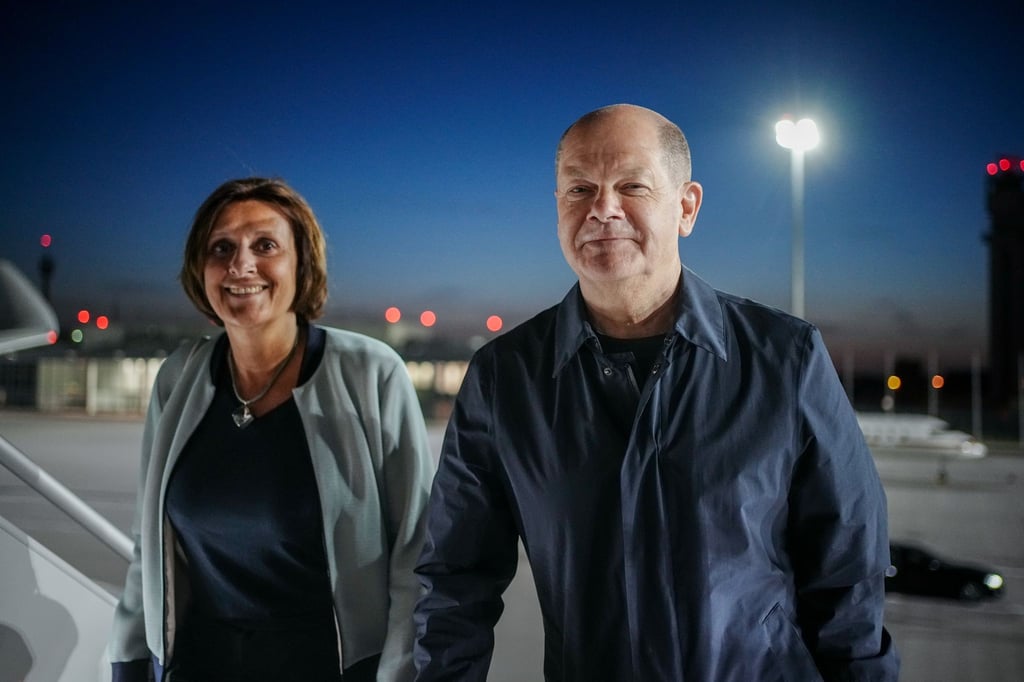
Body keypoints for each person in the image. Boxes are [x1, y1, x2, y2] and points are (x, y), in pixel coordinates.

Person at [413, 104, 899, 681]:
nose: (602, 209)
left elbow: (847, 576)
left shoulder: (785, 359)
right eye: (579, 189)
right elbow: (455, 582)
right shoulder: (504, 378)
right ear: (558, 206)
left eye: (632, 186)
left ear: (686, 207)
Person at [107, 177, 435, 682]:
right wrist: (129, 660)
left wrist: (398, 673)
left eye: (265, 246)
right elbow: (145, 546)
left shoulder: (371, 373)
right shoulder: (178, 378)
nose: (241, 265)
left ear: (302, 263)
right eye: (222, 248)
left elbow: (418, 549)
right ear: (200, 268)